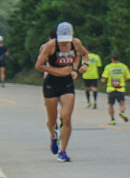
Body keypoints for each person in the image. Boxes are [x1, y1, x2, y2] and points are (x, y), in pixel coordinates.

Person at [35, 22, 91, 163]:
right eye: (62, 41)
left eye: (67, 41)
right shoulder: (50, 46)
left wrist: (83, 66)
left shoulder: (76, 43)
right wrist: (57, 71)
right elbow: (38, 65)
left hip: (67, 84)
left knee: (66, 118)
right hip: (51, 84)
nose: (65, 44)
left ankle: (63, 151)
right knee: (52, 121)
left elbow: (85, 54)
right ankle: (53, 137)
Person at [100, 52, 130, 125]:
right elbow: (129, 77)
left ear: (111, 58)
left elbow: (104, 78)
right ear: (119, 58)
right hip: (120, 88)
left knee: (111, 105)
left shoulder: (108, 67)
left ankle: (112, 119)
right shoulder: (123, 66)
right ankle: (121, 112)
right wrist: (123, 80)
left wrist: (103, 81)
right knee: (122, 103)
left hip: (111, 89)